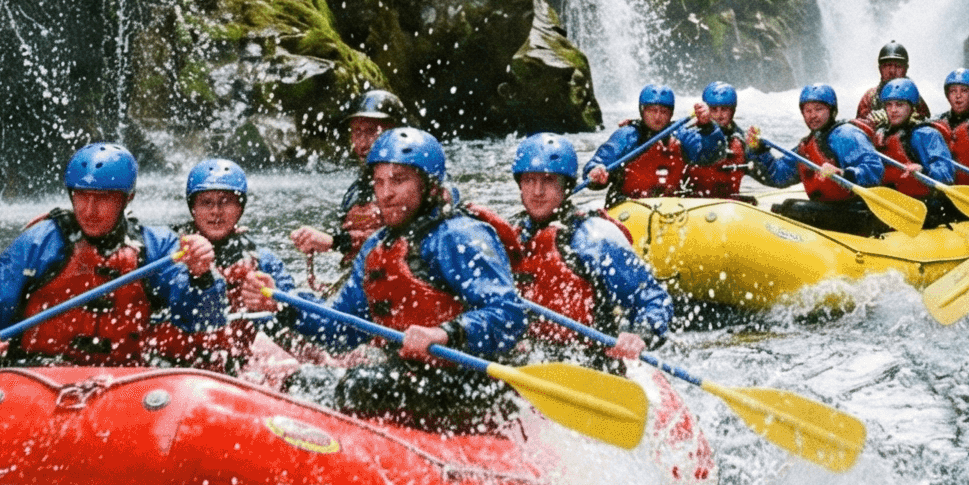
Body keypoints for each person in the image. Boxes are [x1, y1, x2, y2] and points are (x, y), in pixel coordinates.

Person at [271, 127, 527, 431]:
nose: (385, 193)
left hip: (471, 381)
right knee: (307, 382)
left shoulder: (459, 235)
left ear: (429, 186)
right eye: (379, 182)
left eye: (398, 180)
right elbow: (341, 329)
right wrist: (282, 304)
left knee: (344, 386)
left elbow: (510, 316)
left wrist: (444, 333)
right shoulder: (376, 247)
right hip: (413, 376)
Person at [0, 142, 219, 365]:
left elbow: (202, 322)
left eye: (103, 198)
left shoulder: (158, 247)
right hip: (38, 371)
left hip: (123, 379)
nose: (90, 209)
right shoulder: (40, 241)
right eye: (82, 196)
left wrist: (201, 276)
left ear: (128, 199)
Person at [475, 133, 672, 361]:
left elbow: (654, 298)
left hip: (587, 361)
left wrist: (641, 334)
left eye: (548, 181)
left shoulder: (594, 237)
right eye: (529, 180)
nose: (537, 191)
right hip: (525, 359)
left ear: (566, 186)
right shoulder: (509, 235)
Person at [148, 158, 290, 371]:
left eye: (226, 201)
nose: (216, 211)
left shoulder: (261, 259)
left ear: (240, 208)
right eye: (206, 202)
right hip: (172, 366)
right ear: (193, 208)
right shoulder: (166, 251)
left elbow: (292, 306)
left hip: (232, 366)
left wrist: (277, 303)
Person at [291, 89, 404, 280]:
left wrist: (334, 242)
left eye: (371, 132)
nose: (362, 143)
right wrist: (318, 241)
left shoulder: (417, 182)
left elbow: (404, 238)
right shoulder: (356, 190)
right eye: (357, 132)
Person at [750, 84, 889, 236]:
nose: (812, 115)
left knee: (791, 208)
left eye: (818, 109)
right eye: (808, 111)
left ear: (832, 111)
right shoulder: (807, 146)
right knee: (783, 207)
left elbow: (875, 168)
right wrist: (760, 151)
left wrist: (844, 173)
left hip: (857, 211)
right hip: (827, 210)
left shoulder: (846, 134)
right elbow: (779, 176)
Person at [869, 77, 964, 229]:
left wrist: (923, 170)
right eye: (889, 105)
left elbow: (946, 172)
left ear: (911, 107)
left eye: (899, 105)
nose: (893, 110)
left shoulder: (926, 135)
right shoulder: (881, 134)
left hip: (924, 209)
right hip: (890, 207)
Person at [584, 85, 691, 199]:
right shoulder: (626, 135)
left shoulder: (680, 134)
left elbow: (704, 151)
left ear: (671, 114)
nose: (657, 116)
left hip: (673, 205)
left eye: (664, 112)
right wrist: (595, 170)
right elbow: (600, 160)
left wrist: (707, 127)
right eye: (652, 110)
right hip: (629, 204)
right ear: (642, 111)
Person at [682, 82, 760, 200]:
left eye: (724, 109)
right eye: (714, 109)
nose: (719, 115)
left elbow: (767, 174)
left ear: (732, 111)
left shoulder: (741, 139)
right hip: (694, 202)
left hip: (729, 205)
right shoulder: (689, 134)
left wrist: (759, 149)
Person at [853, 41, 911, 132]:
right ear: (880, 69)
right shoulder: (869, 98)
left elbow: (923, 124)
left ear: (906, 69)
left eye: (898, 66)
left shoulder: (914, 99)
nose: (892, 71)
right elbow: (859, 131)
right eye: (887, 66)